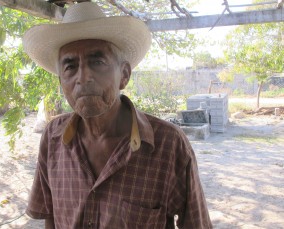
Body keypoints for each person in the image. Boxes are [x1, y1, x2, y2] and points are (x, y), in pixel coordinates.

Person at [23, 2, 212, 229]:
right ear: (61, 82)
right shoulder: (53, 137)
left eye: (97, 61)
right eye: (70, 66)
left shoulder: (169, 145)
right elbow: (49, 215)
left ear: (124, 75)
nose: (83, 77)